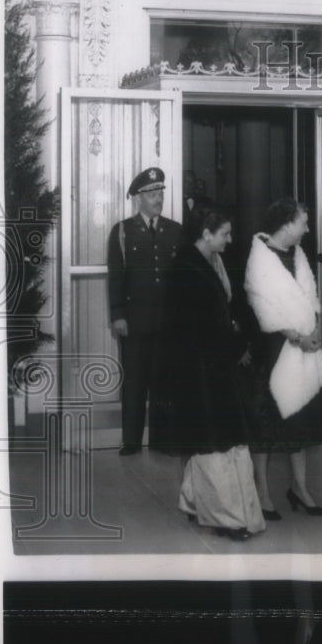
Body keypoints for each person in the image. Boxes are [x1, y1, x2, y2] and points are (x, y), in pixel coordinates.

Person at [165, 206, 265, 541]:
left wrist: (235, 341)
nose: (230, 239)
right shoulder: (186, 268)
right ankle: (227, 517)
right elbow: (200, 326)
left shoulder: (210, 262)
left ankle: (193, 502)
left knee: (213, 440)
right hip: (199, 369)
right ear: (206, 234)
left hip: (213, 365)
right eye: (224, 233)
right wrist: (236, 345)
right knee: (215, 443)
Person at [244, 197, 322, 517]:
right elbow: (264, 309)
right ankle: (262, 493)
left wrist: (315, 329)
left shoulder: (299, 255)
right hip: (273, 350)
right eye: (303, 223)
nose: (307, 229)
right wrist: (296, 337)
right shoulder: (260, 259)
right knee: (266, 423)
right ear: (286, 224)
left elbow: (312, 299)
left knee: (301, 418)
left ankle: (299, 488)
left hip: (305, 347)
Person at [106, 166, 183, 455]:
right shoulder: (123, 231)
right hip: (135, 322)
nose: (158, 197)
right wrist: (118, 315)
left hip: (167, 323)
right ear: (138, 197)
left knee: (164, 382)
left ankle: (163, 440)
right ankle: (132, 440)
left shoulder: (175, 230)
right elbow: (116, 277)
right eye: (152, 192)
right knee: (135, 382)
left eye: (161, 191)